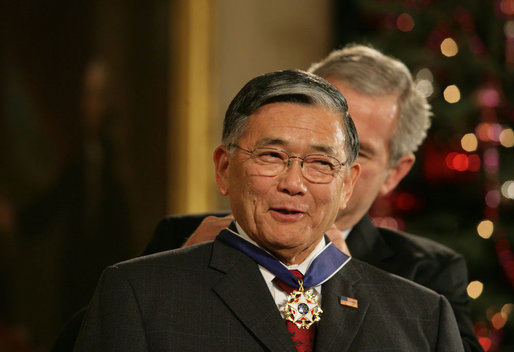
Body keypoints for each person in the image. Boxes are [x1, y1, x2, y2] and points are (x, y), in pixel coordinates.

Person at [74, 69, 464, 351]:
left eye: (320, 163)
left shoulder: (423, 317)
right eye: (272, 156)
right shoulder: (141, 295)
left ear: (347, 184)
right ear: (224, 169)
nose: (294, 183)